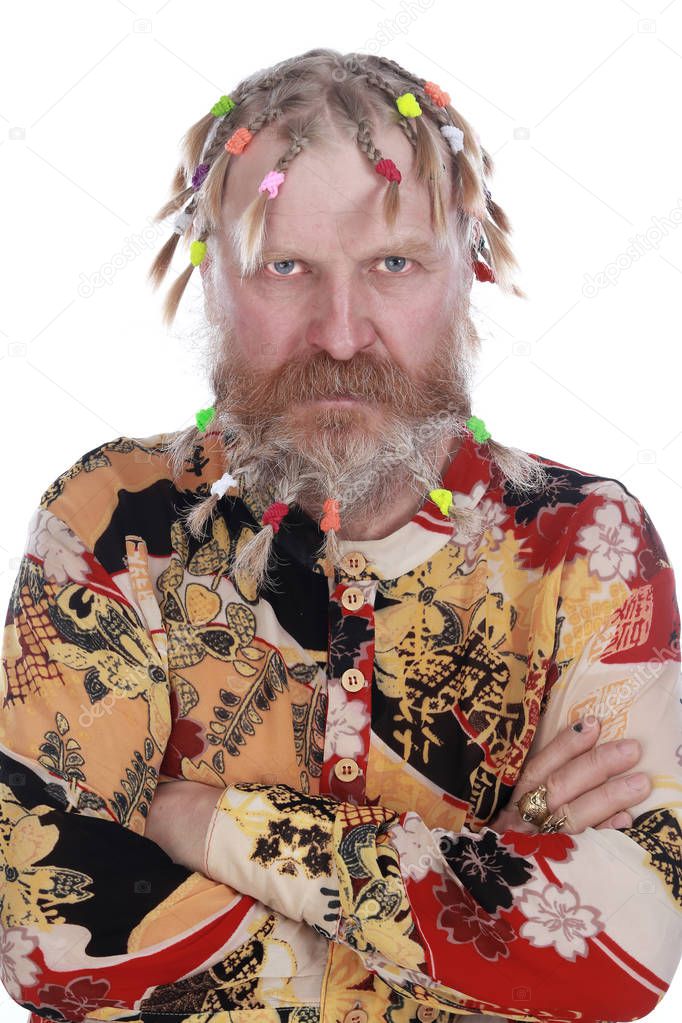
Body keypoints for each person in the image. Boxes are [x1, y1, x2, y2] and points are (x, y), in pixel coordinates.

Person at [1, 47, 680, 1023]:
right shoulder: (111, 521)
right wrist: (485, 893)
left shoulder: (581, 544)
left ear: (467, 274)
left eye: (392, 265)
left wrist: (194, 819)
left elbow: (622, 948)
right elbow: (47, 935)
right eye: (284, 266)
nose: (341, 333)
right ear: (210, 277)